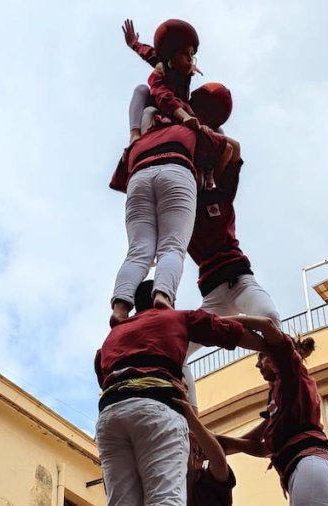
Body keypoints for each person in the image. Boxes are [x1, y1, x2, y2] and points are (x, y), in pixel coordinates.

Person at [94, 280, 268, 506]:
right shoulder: (176, 318)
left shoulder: (111, 337)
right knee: (165, 498)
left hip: (110, 415)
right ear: (167, 299)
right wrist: (275, 347)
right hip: (156, 407)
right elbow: (228, 331)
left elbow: (103, 373)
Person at [178, 82, 281, 408]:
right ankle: (192, 422)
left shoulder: (219, 192)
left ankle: (279, 379)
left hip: (239, 281)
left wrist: (199, 128)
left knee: (270, 316)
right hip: (212, 297)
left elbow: (233, 148)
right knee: (174, 350)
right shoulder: (179, 210)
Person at [108, 109, 240, 325]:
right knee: (172, 247)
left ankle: (120, 308)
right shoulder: (188, 130)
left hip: (139, 178)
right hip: (176, 172)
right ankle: (163, 295)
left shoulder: (139, 141)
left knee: (138, 251)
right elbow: (232, 148)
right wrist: (206, 131)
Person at [217, 318, 328, 505]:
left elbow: (267, 325)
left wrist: (221, 320)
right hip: (312, 472)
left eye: (261, 357)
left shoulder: (290, 374)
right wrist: (205, 442)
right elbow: (259, 446)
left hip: (310, 469)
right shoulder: (282, 401)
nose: (257, 365)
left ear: (273, 356)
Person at [123, 18, 202, 144]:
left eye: (192, 54)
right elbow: (164, 96)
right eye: (184, 53)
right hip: (162, 108)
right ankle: (135, 134)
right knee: (143, 94)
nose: (190, 59)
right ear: (171, 57)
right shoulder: (162, 71)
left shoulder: (185, 74)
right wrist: (134, 44)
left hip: (178, 112)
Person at [173, 388, 236, 506]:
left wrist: (191, 418)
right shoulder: (167, 479)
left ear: (199, 459)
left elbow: (219, 461)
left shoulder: (206, 484)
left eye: (185, 448)